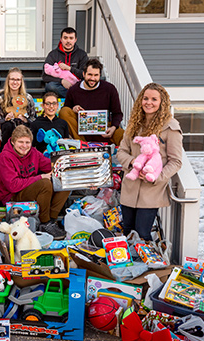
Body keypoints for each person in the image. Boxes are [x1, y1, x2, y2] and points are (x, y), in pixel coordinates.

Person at [116, 83, 183, 241]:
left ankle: (149, 264)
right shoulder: (134, 125)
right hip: (130, 188)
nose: (149, 102)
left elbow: (176, 161)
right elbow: (121, 151)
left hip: (151, 190)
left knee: (142, 233)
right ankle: (131, 265)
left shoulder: (170, 128)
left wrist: (155, 178)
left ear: (162, 102)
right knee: (127, 231)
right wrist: (133, 163)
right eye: (145, 98)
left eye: (154, 99)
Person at [0, 125, 69, 239]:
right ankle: (45, 223)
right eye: (21, 142)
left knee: (65, 180)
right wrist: (40, 177)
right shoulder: (4, 157)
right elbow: (13, 186)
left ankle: (51, 220)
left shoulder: (33, 152)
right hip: (13, 197)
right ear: (12, 141)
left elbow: (50, 165)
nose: (24, 146)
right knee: (44, 184)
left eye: (27, 142)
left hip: (28, 189)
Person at [59, 59, 124, 144]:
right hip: (81, 130)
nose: (92, 78)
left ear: (100, 75)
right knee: (64, 111)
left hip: (103, 129)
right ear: (84, 74)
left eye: (96, 75)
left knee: (124, 135)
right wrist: (74, 108)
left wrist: (113, 127)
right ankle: (82, 144)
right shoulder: (73, 90)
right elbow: (65, 112)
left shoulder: (110, 89)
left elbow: (117, 113)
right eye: (90, 74)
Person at [0, 67, 36, 149]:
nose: (15, 82)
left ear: (21, 82)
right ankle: (6, 152)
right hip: (5, 130)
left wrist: (26, 120)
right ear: (8, 81)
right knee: (9, 125)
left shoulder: (28, 98)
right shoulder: (0, 97)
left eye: (18, 80)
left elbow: (34, 119)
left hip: (23, 129)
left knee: (23, 124)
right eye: (12, 79)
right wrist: (5, 119)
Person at [42, 27, 89, 99]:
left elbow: (84, 74)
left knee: (85, 84)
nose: (68, 41)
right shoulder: (53, 54)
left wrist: (69, 68)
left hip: (76, 84)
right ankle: (74, 98)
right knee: (50, 86)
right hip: (59, 86)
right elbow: (45, 77)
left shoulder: (82, 54)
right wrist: (62, 81)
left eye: (71, 38)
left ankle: (73, 96)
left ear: (75, 40)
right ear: (61, 39)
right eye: (65, 38)